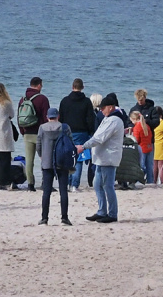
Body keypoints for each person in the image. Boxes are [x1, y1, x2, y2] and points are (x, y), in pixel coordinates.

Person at [78, 94, 124, 223]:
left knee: (108, 186)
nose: (101, 110)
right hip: (100, 158)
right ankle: (102, 211)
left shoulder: (114, 120)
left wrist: (84, 146)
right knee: (97, 184)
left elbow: (100, 138)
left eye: (103, 108)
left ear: (110, 107)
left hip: (108, 158)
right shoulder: (107, 118)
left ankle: (112, 214)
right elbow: (97, 135)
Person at [36, 107, 73, 225]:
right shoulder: (65, 127)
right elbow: (70, 144)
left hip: (47, 162)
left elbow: (38, 144)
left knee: (46, 192)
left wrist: (42, 156)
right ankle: (64, 218)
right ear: (58, 116)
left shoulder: (42, 127)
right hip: (62, 161)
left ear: (47, 117)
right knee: (63, 191)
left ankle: (44, 218)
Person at [57, 79, 95, 192]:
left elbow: (61, 118)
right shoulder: (87, 102)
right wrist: (91, 132)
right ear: (82, 87)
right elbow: (90, 119)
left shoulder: (65, 101)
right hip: (82, 132)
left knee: (68, 157)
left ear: (72, 86)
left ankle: (67, 183)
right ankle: (75, 185)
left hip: (67, 131)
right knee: (79, 158)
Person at [18, 78, 51, 192]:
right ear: (39, 85)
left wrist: (23, 132)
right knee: (45, 159)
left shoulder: (23, 99)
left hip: (27, 134)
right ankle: (45, 183)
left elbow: (19, 117)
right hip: (41, 134)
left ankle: (30, 184)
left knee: (29, 161)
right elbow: (46, 118)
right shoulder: (43, 99)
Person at [131, 110, 154, 184]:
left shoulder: (137, 127)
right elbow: (150, 136)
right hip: (149, 147)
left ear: (134, 119)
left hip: (142, 148)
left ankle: (140, 181)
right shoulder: (146, 126)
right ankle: (150, 181)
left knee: (141, 166)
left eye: (132, 120)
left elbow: (136, 140)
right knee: (149, 167)